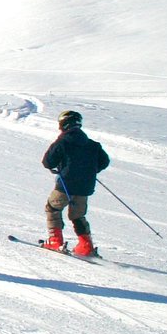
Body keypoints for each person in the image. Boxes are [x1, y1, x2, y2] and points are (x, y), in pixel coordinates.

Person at [42, 109, 110, 256]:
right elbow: (104, 161)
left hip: (65, 185)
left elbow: (47, 162)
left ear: (63, 124)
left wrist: (61, 167)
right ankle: (86, 246)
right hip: (85, 187)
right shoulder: (92, 144)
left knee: (52, 208)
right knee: (77, 215)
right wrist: (89, 170)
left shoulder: (62, 142)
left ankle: (55, 240)